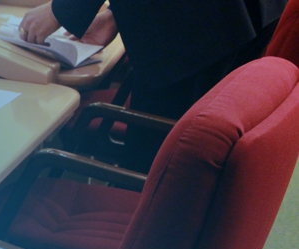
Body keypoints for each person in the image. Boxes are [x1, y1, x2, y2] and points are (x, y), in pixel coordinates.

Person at [19, 0, 285, 171]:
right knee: (192, 153)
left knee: (163, 162)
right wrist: (115, 15)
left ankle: (139, 232)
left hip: (202, 25)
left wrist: (61, 10)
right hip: (241, 15)